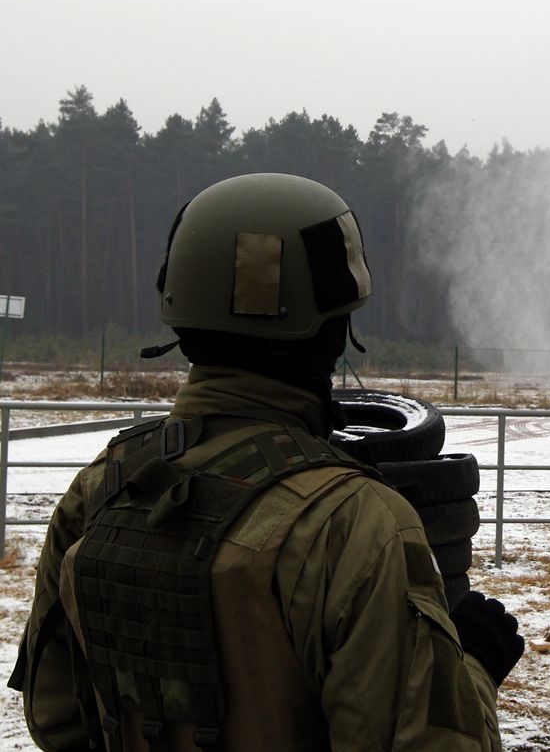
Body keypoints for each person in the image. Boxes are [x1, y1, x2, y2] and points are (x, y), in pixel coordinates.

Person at [11, 173, 523, 750]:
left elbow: (52, 716)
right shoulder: (355, 522)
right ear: (332, 333)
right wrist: (474, 666)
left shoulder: (104, 484)